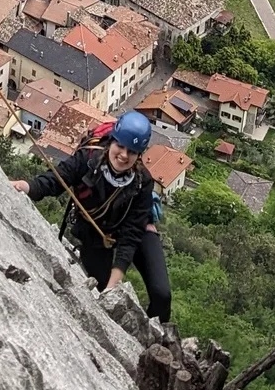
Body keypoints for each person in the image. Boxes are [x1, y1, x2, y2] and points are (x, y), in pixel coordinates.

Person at [12, 110, 173, 322]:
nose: (124, 155)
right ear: (112, 141)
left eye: (132, 152)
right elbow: (57, 179)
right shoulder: (87, 159)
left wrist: (113, 286)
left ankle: (159, 338)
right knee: (99, 288)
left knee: (162, 294)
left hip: (137, 229)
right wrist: (26, 186)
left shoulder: (142, 181)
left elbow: (131, 234)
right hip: (95, 233)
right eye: (120, 146)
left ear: (139, 155)